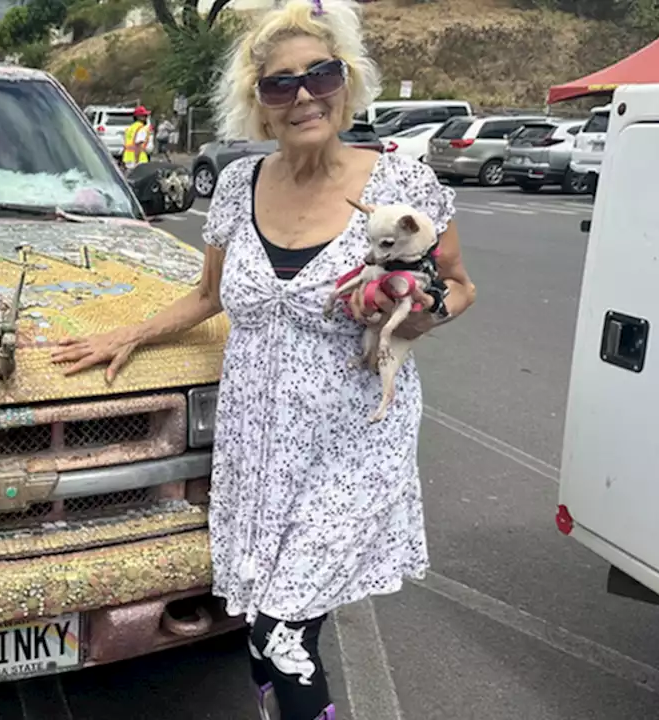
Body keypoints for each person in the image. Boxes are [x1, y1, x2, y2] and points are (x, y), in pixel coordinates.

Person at [49, 1, 476, 719]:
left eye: (321, 74)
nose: (304, 94)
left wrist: (424, 314)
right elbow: (209, 294)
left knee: (284, 631)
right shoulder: (240, 187)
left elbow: (460, 286)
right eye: (281, 85)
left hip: (352, 445)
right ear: (260, 104)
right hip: (257, 449)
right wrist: (130, 335)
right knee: (258, 626)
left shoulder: (400, 183)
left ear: (348, 82)